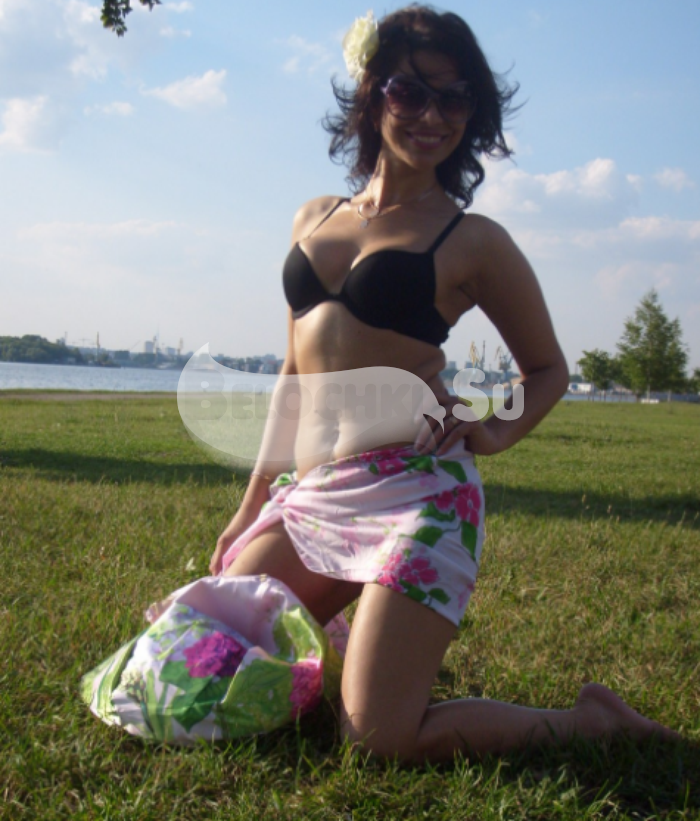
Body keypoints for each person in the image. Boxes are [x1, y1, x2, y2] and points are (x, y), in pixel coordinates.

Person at [82, 5, 677, 757]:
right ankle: (358, 658)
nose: (433, 115)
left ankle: (590, 721)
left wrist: (492, 431)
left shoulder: (472, 239)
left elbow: (549, 368)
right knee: (180, 671)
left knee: (376, 739)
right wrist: (250, 506)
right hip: (314, 498)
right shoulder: (313, 216)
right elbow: (293, 376)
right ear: (371, 94)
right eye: (410, 91)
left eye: (455, 98)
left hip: (417, 497)